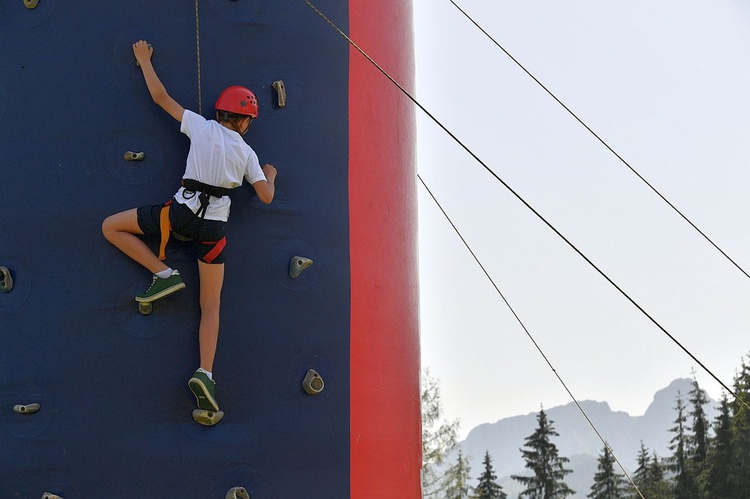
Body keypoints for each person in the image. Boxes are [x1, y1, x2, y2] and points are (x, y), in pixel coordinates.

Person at [102, 40, 276, 414]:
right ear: (244, 121)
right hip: (213, 232)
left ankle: (163, 272)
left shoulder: (201, 127)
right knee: (210, 304)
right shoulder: (248, 154)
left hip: (177, 215)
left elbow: (161, 97)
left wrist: (144, 60)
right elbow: (264, 196)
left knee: (111, 227)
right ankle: (205, 373)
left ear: (220, 113)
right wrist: (271, 176)